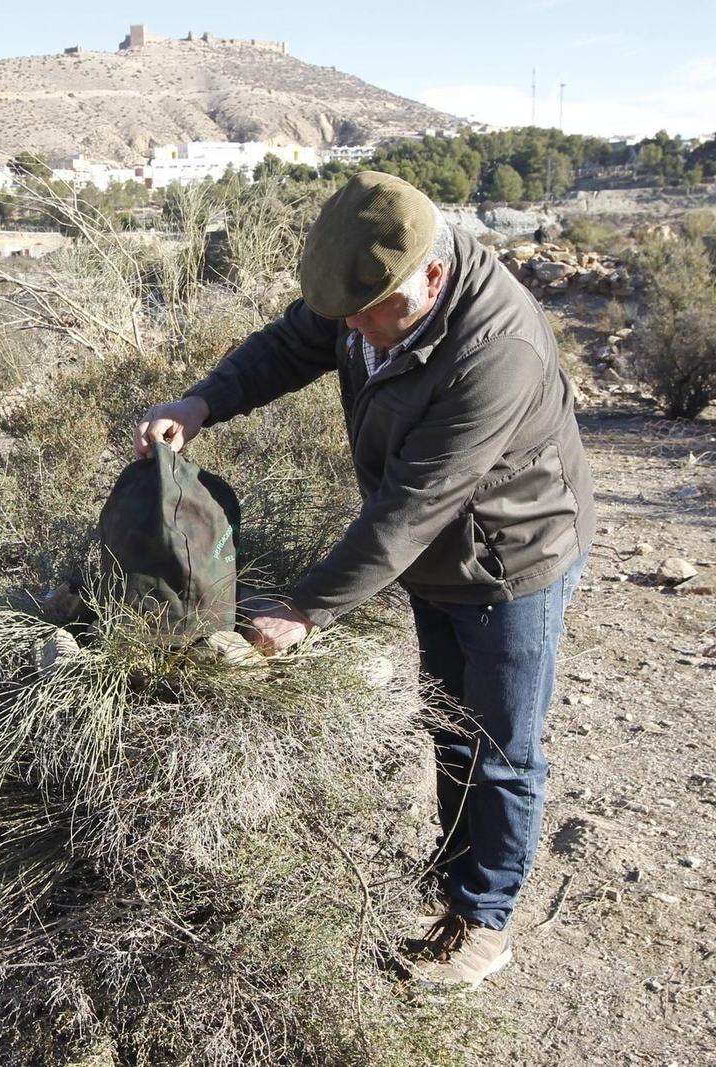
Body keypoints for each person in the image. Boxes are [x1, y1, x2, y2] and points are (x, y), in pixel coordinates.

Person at [133, 172, 593, 989]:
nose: (354, 332)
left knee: (502, 749)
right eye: (346, 317)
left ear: (434, 277)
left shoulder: (496, 351)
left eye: (370, 316)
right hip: (435, 556)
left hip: (511, 559)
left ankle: (485, 920)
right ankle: (454, 879)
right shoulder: (373, 288)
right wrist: (203, 402)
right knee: (450, 727)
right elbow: (290, 344)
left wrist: (305, 609)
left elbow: (409, 511)